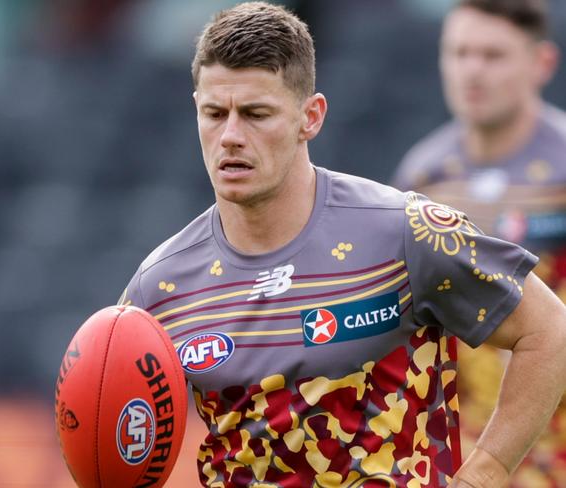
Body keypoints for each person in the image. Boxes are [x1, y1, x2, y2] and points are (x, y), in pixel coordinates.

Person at [118, 2, 566, 486]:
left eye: (255, 113)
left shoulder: (407, 231)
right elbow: (115, 424)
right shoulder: (159, 285)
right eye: (214, 113)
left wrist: (487, 472)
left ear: (310, 117)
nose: (230, 136)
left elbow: (549, 330)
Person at [393, 0, 566, 485]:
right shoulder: (424, 175)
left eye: (492, 55)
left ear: (541, 64)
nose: (473, 70)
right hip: (465, 448)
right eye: (460, 52)